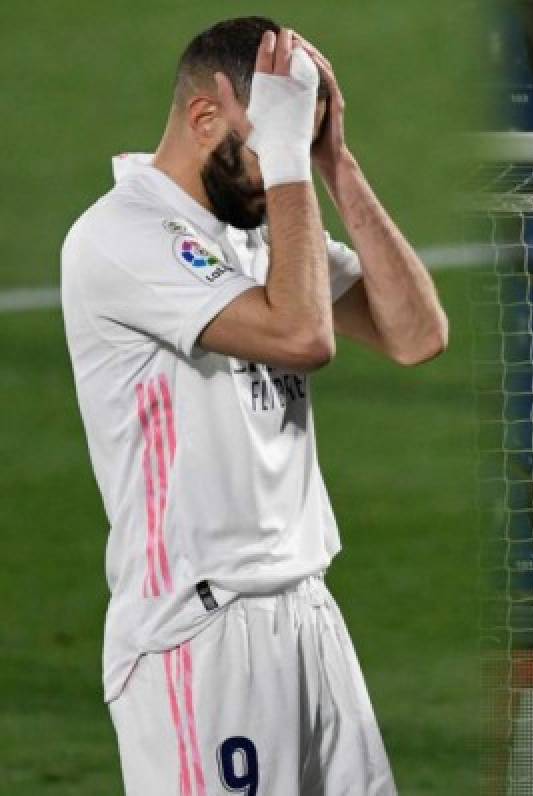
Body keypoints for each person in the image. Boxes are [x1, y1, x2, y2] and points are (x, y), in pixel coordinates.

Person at [61, 17, 447, 794]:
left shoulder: (261, 229)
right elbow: (303, 335)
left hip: (308, 611)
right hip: (200, 635)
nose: (280, 173)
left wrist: (332, 162)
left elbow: (416, 334)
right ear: (205, 119)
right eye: (270, 141)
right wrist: (292, 178)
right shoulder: (121, 234)